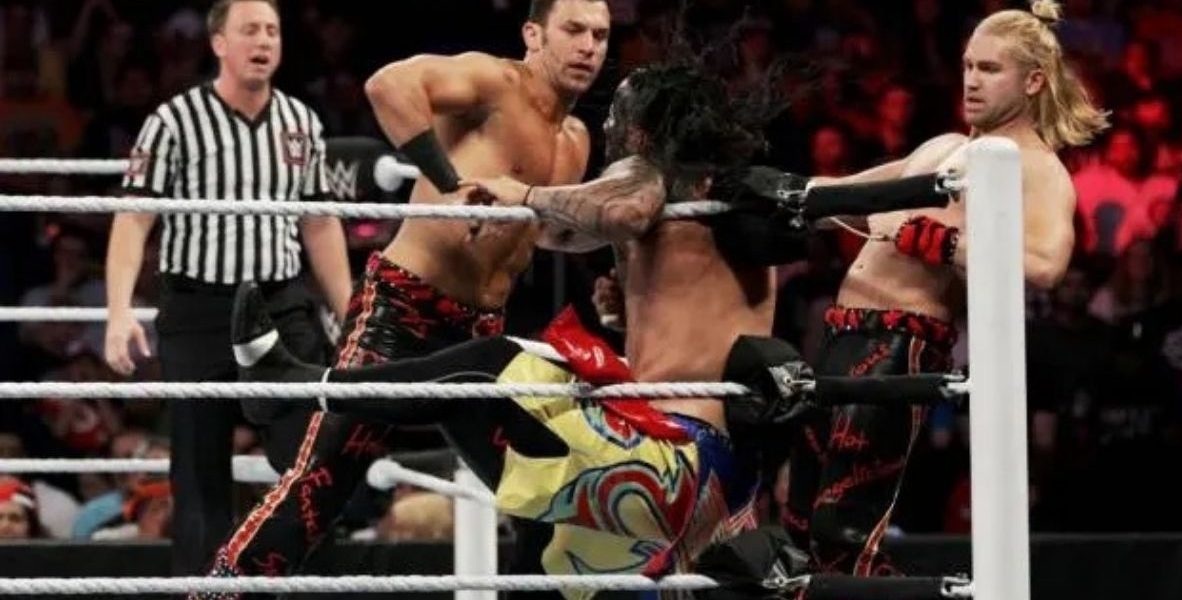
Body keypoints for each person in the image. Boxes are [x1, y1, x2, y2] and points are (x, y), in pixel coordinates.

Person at [225, 58, 814, 594]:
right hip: (704, 476)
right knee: (529, 530)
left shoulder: (649, 173)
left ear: (644, 131)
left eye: (619, 114)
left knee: (492, 365)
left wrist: (524, 193)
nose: (607, 125)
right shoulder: (707, 207)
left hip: (673, 460)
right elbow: (582, 233)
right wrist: (514, 215)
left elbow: (621, 207)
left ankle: (301, 384)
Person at [203, 0, 611, 585]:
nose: (588, 46)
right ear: (533, 34)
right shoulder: (495, 82)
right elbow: (388, 85)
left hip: (480, 336)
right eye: (573, 29)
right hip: (404, 310)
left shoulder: (575, 139)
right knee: (320, 486)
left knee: (545, 494)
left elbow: (547, 233)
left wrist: (609, 263)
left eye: (600, 34)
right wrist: (450, 184)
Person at [780, 0, 1109, 576]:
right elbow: (849, 196)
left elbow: (1047, 265)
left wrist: (946, 243)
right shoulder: (943, 147)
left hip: (898, 346)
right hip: (840, 336)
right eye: (968, 66)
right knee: (799, 522)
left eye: (990, 69)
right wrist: (779, 194)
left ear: (1033, 81)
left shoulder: (1036, 166)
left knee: (841, 530)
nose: (971, 80)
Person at [103, 0, 352, 575]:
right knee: (199, 471)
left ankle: (309, 584)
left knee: (310, 455)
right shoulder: (174, 120)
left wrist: (349, 311)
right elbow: (133, 216)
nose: (263, 41)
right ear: (218, 43)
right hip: (198, 309)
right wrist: (119, 310)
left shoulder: (301, 121)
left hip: (279, 307)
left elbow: (319, 222)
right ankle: (204, 591)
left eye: (272, 31)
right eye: (250, 30)